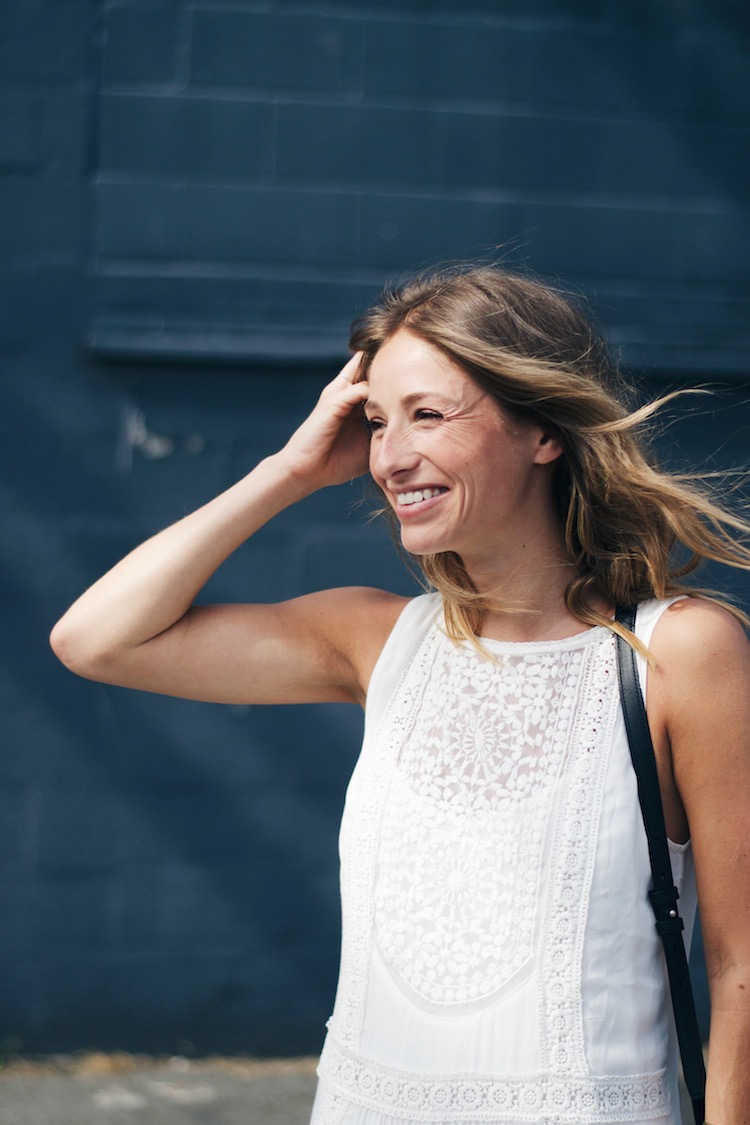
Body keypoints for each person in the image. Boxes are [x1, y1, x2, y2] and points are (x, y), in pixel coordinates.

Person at [51, 266, 750, 1125]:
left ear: (542, 429)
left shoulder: (680, 652)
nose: (388, 455)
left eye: (427, 414)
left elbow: (739, 961)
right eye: (376, 421)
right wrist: (290, 468)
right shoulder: (378, 639)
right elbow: (94, 640)